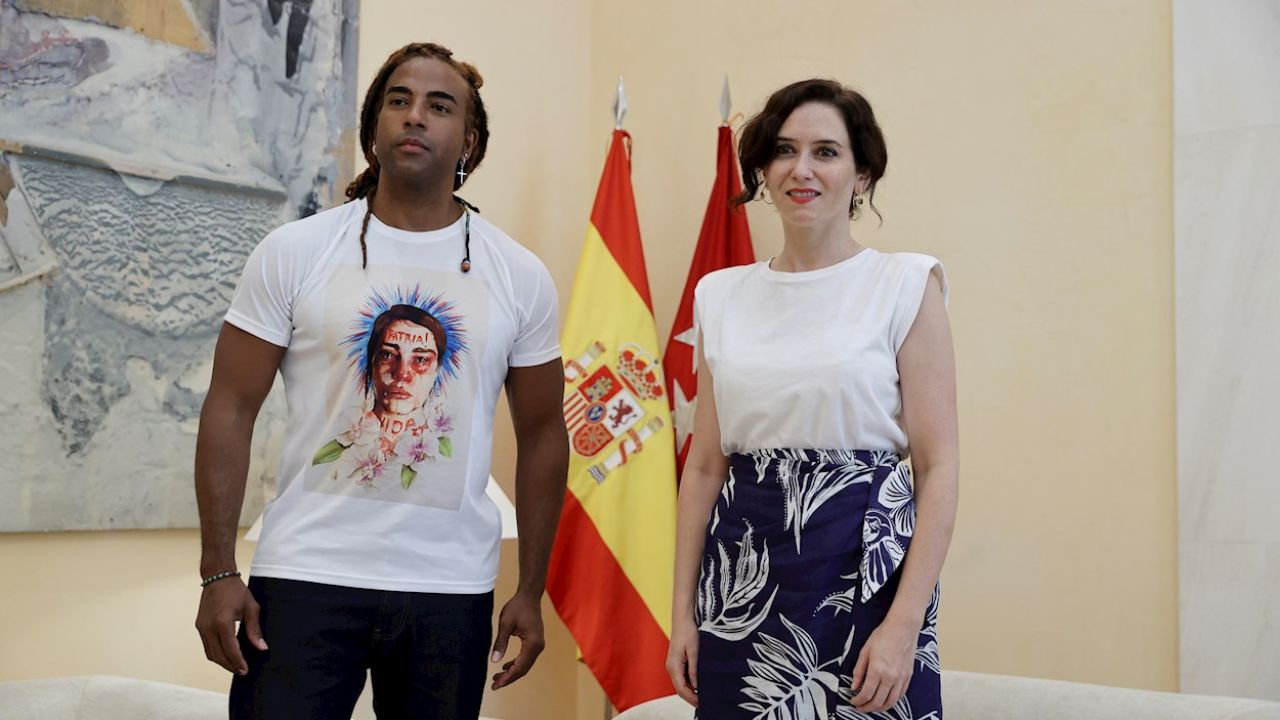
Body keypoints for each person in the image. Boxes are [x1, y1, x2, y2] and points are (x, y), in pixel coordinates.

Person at [194, 41, 569, 720]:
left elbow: (544, 432)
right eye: (399, 101)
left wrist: (530, 590)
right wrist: (218, 570)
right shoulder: (294, 252)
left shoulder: (519, 275)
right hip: (304, 575)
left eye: (439, 106)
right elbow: (230, 406)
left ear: (469, 140)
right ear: (373, 127)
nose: (415, 116)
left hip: (450, 589)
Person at [666, 79, 959, 719]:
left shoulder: (906, 284)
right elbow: (706, 467)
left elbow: (937, 467)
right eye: (784, 150)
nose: (802, 168)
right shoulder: (719, 295)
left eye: (826, 151)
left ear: (862, 175)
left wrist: (904, 623)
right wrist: (683, 614)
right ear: (763, 172)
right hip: (741, 581)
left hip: (867, 580)